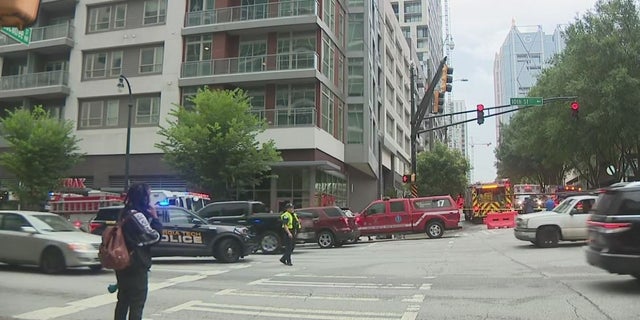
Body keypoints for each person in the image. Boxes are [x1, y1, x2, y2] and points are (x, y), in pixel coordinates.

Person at [114, 183, 163, 320]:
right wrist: (155, 219)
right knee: (137, 302)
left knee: (123, 300)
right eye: (149, 195)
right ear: (144, 198)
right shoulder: (137, 215)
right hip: (136, 264)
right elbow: (154, 237)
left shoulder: (123, 213)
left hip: (122, 262)